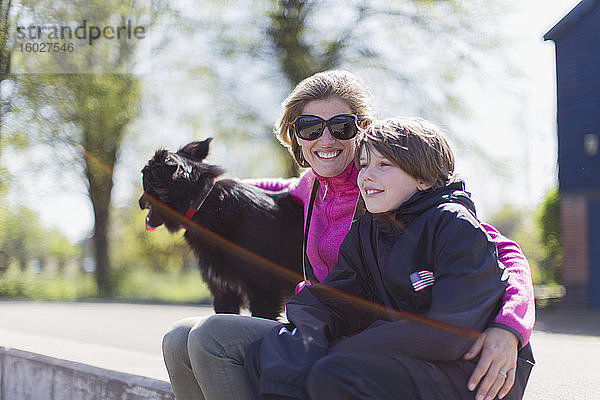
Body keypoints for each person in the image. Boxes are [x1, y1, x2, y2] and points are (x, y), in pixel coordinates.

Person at [162, 70, 535, 400]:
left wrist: (509, 327)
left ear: (363, 131)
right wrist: (197, 189)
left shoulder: (384, 193)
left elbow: (499, 252)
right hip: (326, 326)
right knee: (179, 339)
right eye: (310, 127)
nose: (325, 139)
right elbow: (266, 189)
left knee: (211, 336)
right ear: (296, 138)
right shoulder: (312, 188)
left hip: (372, 340)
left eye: (341, 126)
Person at [244, 117, 534, 400]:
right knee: (270, 355)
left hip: (473, 370)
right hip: (414, 359)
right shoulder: (369, 229)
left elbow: (449, 331)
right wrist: (296, 348)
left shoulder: (453, 225)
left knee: (334, 373)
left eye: (384, 165)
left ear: (425, 178)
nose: (367, 175)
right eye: (364, 165)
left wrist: (341, 350)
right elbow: (333, 301)